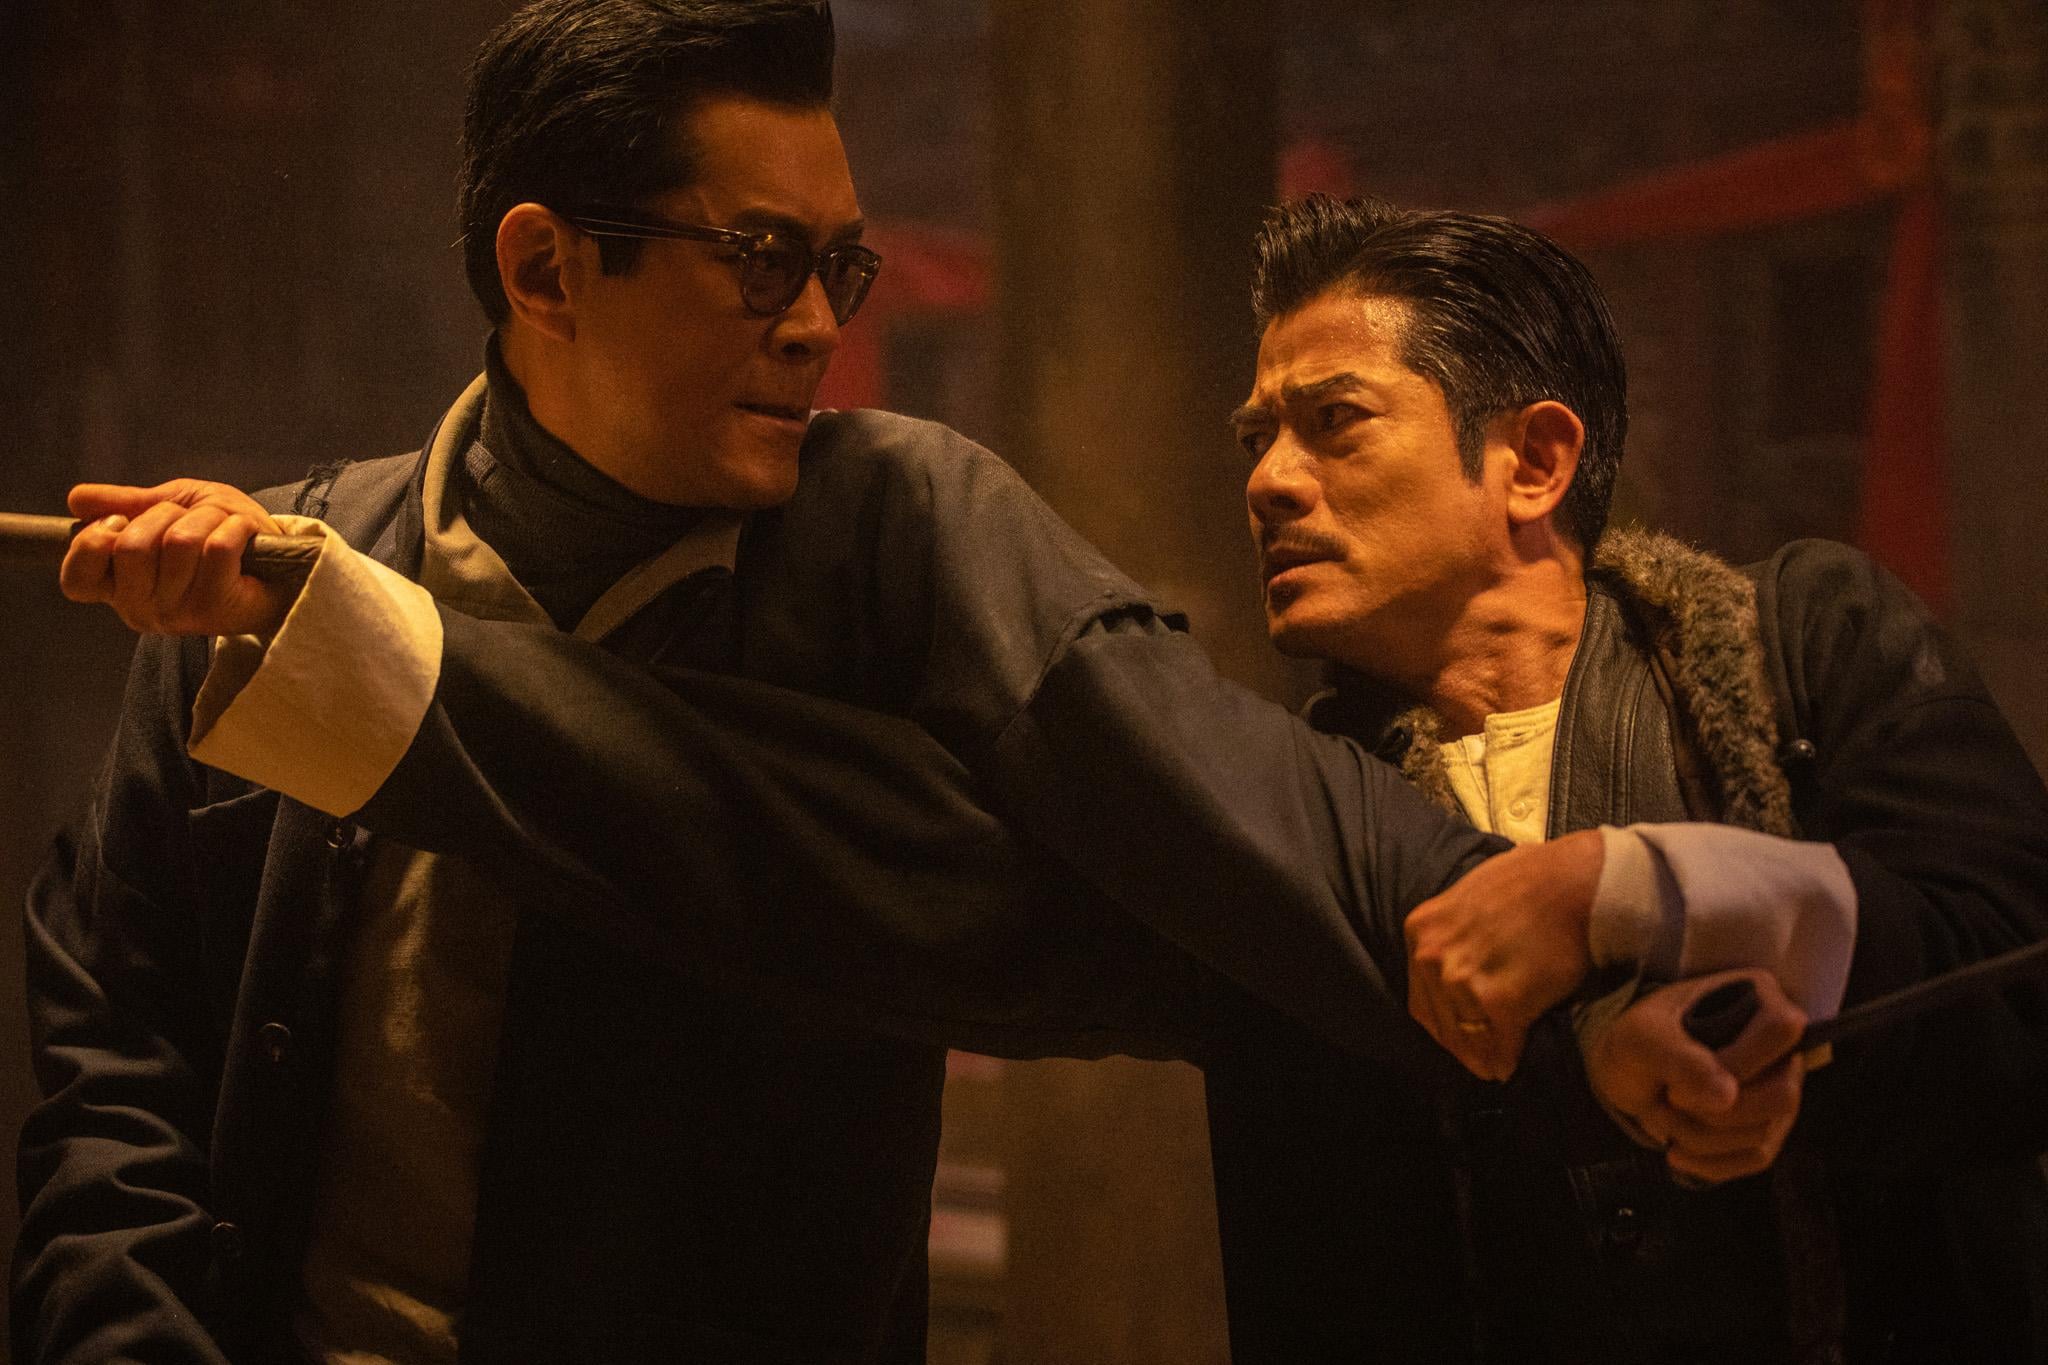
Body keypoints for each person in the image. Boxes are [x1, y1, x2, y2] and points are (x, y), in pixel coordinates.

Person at [13, 6, 1699, 1362]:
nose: (818, 323)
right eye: (761, 258)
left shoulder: (892, 529)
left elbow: (1219, 791)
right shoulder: (265, 574)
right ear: (544, 271)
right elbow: (114, 1064)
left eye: (844, 267)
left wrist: (1589, 954)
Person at [1212, 194, 2048, 1362]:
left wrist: (1637, 892)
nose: (1268, 480)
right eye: (1257, 438)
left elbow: (2015, 982)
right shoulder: (1296, 808)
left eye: (1331, 421)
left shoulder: (1800, 642)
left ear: (1532, 461)